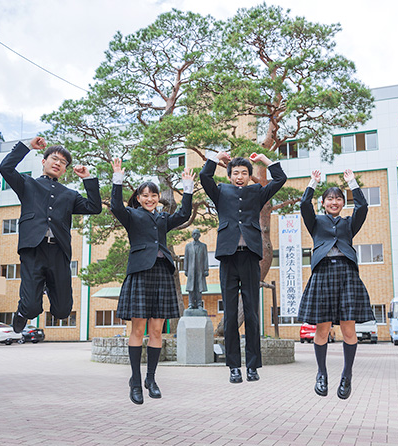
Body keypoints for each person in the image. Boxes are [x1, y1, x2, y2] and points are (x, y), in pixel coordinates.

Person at [110, 158, 194, 404]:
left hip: (162, 274)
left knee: (157, 330)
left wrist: (187, 187)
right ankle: (135, 381)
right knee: (138, 329)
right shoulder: (132, 215)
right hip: (140, 273)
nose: (149, 199)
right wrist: (117, 178)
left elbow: (184, 213)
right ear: (138, 198)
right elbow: (115, 206)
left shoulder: (162, 219)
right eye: (144, 195)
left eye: (153, 195)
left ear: (158, 198)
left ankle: (151, 378)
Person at [0, 136, 101, 333]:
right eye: (55, 159)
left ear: (64, 170)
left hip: (59, 252)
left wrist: (88, 178)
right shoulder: (27, 184)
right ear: (44, 161)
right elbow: (5, 169)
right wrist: (28, 145)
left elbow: (94, 207)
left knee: (63, 311)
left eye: (63, 163)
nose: (58, 163)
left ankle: (47, 286)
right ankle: (22, 312)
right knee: (31, 307)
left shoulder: (70, 195)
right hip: (34, 250)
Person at [200, 151, 287, 384]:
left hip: (250, 257)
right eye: (236, 173)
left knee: (251, 312)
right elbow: (204, 177)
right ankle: (233, 367)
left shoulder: (257, 192)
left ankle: (252, 367)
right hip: (228, 257)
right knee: (230, 315)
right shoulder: (220, 192)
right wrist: (214, 157)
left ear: (249, 176)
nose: (240, 176)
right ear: (229, 176)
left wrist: (265, 162)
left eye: (244, 173)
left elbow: (280, 179)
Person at [298, 168, 374, 400]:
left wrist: (352, 183)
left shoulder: (349, 224)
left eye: (338, 199)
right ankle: (321, 374)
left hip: (346, 273)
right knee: (322, 328)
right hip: (323, 273)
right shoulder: (316, 222)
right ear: (323, 203)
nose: (334, 202)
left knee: (349, 328)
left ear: (342, 203)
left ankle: (347, 375)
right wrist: (313, 182)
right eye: (330, 198)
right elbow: (304, 205)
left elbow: (363, 207)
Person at [184, 229, 209, 310]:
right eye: (194, 234)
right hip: (191, 270)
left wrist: (206, 269)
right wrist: (185, 269)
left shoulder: (203, 246)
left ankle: (199, 304)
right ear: (192, 235)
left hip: (200, 270)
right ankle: (190, 304)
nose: (196, 235)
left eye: (197, 234)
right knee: (191, 288)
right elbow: (186, 258)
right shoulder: (188, 246)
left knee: (199, 288)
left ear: (199, 236)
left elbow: (205, 258)